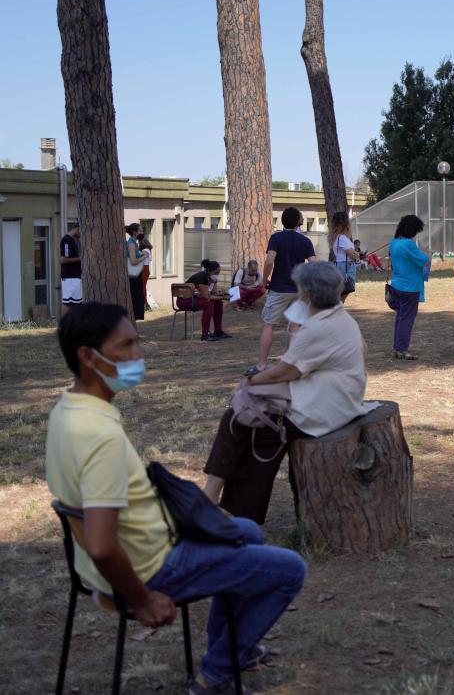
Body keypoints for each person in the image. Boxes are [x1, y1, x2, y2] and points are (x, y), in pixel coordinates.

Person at [47, 302, 306, 694]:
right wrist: (143, 599)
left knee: (248, 532)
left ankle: (229, 647)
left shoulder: (68, 412)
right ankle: (214, 675)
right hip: (150, 567)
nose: (138, 355)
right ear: (87, 356)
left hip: (134, 550)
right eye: (125, 346)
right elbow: (101, 545)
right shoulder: (98, 436)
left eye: (137, 343)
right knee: (290, 570)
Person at [203, 262, 374, 523]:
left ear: (307, 294)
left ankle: (224, 503)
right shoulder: (341, 317)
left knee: (244, 421)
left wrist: (249, 381)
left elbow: (282, 373)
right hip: (339, 401)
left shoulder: (318, 328)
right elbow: (361, 350)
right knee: (247, 421)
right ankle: (223, 501)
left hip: (323, 410)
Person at [252, 207, 317, 376]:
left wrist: (264, 281)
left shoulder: (276, 238)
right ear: (298, 222)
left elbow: (269, 262)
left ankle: (261, 365)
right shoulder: (305, 241)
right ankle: (290, 364)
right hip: (300, 289)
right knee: (294, 326)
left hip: (279, 288)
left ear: (282, 221)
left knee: (269, 325)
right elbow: (314, 264)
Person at [389, 215, 431, 360]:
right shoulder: (408, 244)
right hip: (410, 287)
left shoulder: (394, 242)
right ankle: (402, 349)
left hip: (397, 284)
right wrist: (425, 249)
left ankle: (397, 348)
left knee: (401, 318)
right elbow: (425, 260)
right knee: (407, 320)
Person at [180, 259, 231, 342]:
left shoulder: (213, 278)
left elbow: (213, 293)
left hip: (196, 298)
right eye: (216, 273)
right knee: (208, 304)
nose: (217, 275)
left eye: (218, 273)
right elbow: (206, 297)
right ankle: (205, 334)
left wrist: (221, 293)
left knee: (218, 302)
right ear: (209, 271)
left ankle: (218, 331)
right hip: (185, 300)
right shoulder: (202, 277)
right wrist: (224, 298)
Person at [329, 211, 358, 303]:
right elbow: (353, 255)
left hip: (342, 265)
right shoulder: (341, 238)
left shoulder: (338, 237)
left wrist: (355, 254)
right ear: (344, 223)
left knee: (342, 294)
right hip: (345, 267)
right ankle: (336, 310)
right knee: (343, 294)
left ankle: (336, 309)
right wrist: (356, 255)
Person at [59, 224, 82, 316]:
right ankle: (64, 322)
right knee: (68, 302)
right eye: (81, 231)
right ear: (77, 229)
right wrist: (80, 258)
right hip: (70, 277)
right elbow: (63, 259)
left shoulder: (72, 240)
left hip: (74, 276)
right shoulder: (66, 240)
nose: (81, 234)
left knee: (75, 302)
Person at [125, 224, 146, 321]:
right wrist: (144, 256)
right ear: (134, 232)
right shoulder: (131, 244)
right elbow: (133, 261)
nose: (142, 233)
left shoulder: (134, 243)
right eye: (140, 231)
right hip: (133, 278)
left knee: (138, 301)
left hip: (136, 276)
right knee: (135, 301)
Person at [138, 238, 153, 310]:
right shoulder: (148, 250)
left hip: (144, 268)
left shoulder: (144, 250)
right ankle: (145, 304)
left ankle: (145, 304)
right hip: (146, 268)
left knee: (142, 287)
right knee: (143, 287)